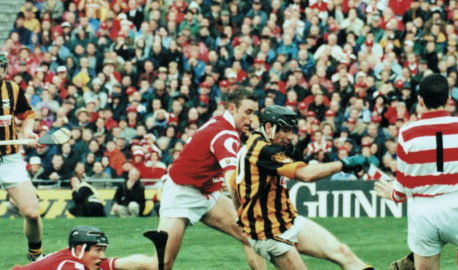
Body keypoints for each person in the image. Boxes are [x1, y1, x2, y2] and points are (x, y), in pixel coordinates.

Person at [231, 105, 374, 270]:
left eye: (292, 130)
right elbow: (306, 174)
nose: (291, 136)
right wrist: (344, 164)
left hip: (288, 220)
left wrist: (241, 218)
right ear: (269, 127)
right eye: (285, 130)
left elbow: (234, 186)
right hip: (271, 233)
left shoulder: (252, 142)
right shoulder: (263, 150)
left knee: (343, 252)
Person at [375, 73, 458, 270]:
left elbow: (404, 180)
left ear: (420, 100)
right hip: (456, 201)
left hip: (422, 209)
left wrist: (394, 195)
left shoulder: (407, 132)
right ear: (448, 99)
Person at [157, 88, 265, 270]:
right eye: (247, 112)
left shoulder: (221, 123)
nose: (251, 119)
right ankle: (106, 265)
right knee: (161, 265)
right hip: (181, 194)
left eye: (254, 113)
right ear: (232, 108)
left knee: (250, 234)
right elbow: (233, 182)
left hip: (206, 192)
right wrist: (243, 207)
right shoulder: (226, 134)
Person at [0, 51, 44, 261]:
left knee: (32, 213)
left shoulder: (12, 89)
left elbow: (26, 115)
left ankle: (35, 255)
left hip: (9, 158)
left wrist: (27, 132)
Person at [10, 225, 159, 270]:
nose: (103, 256)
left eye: (103, 250)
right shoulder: (68, 265)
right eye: (98, 250)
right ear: (80, 249)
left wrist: (153, 263)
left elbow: (125, 263)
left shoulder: (83, 260)